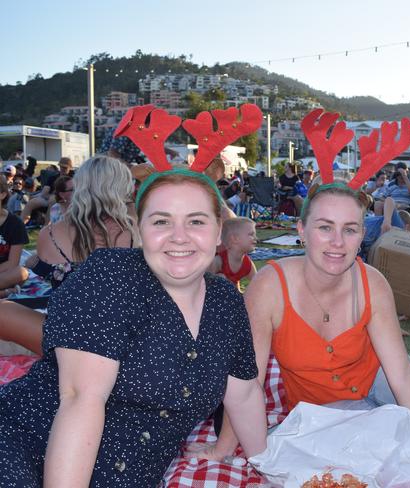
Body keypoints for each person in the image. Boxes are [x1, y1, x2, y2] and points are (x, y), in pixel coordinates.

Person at [0, 166, 267, 487]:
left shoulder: (225, 301)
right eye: (161, 221)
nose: (179, 236)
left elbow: (244, 394)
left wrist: (270, 469)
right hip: (28, 449)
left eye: (196, 221)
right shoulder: (109, 279)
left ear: (218, 229)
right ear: (140, 227)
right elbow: (80, 401)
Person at [191, 178, 410, 462]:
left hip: (376, 377)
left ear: (362, 236)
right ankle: (392, 415)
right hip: (324, 404)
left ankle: (408, 405)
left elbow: (400, 374)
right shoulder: (270, 286)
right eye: (325, 227)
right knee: (339, 454)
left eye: (349, 229)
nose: (337, 242)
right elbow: (247, 379)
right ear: (302, 230)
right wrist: (224, 447)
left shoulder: (373, 282)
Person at [0, 156, 139, 355]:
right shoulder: (134, 231)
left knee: (3, 311)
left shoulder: (50, 234)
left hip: (67, 341)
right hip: (121, 336)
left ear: (79, 186)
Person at [20, 157, 73, 225]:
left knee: (53, 200)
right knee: (31, 202)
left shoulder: (73, 178)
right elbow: (44, 192)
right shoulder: (53, 177)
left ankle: (46, 227)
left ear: (70, 168)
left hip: (67, 200)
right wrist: (32, 196)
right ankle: (21, 225)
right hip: (49, 198)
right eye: (61, 167)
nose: (62, 169)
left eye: (65, 167)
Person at [0, 176, 29, 297]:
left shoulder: (15, 224)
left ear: (2, 194)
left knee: (21, 272)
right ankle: (5, 293)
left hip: (4, 273)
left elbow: (12, 263)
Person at [212, 217, 257, 292]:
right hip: (213, 298)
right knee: (221, 278)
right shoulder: (218, 261)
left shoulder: (247, 264)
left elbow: (257, 282)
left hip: (231, 297)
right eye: (251, 234)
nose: (255, 238)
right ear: (235, 239)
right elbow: (202, 282)